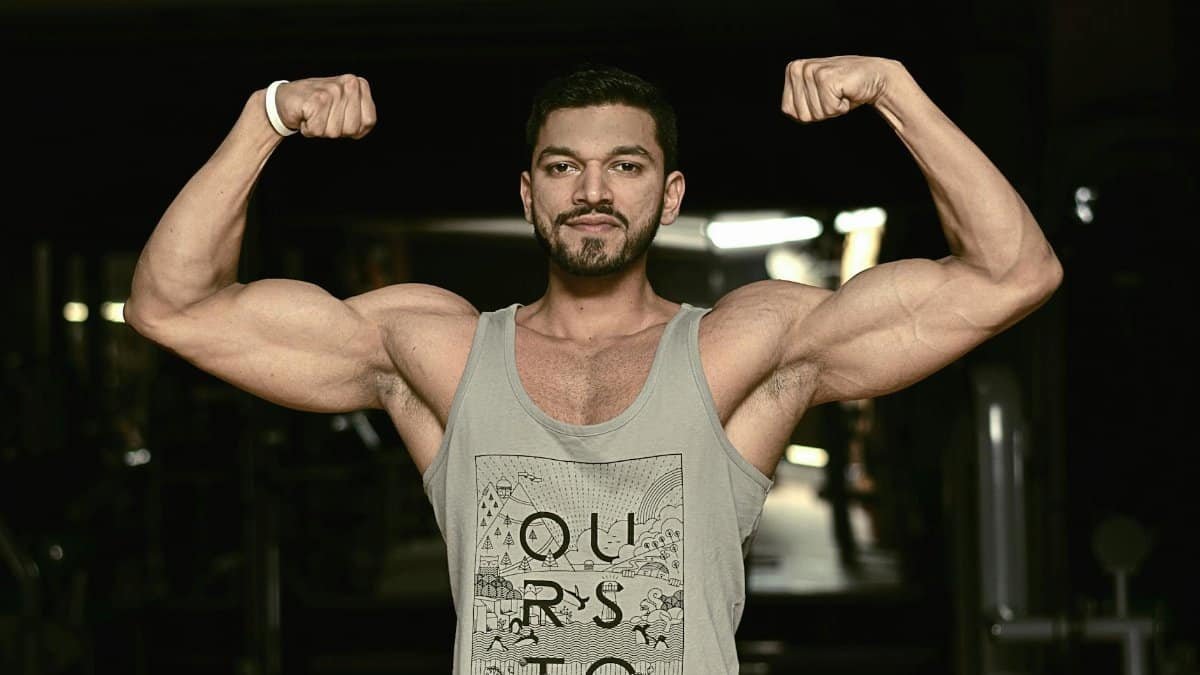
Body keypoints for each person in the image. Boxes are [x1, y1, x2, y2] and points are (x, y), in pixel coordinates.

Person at [124, 57, 1063, 674]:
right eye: (565, 168)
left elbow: (1013, 273)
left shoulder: (745, 346)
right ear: (529, 195)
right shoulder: (434, 349)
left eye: (626, 166)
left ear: (671, 191)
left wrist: (896, 90)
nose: (595, 192)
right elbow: (173, 308)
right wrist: (267, 116)